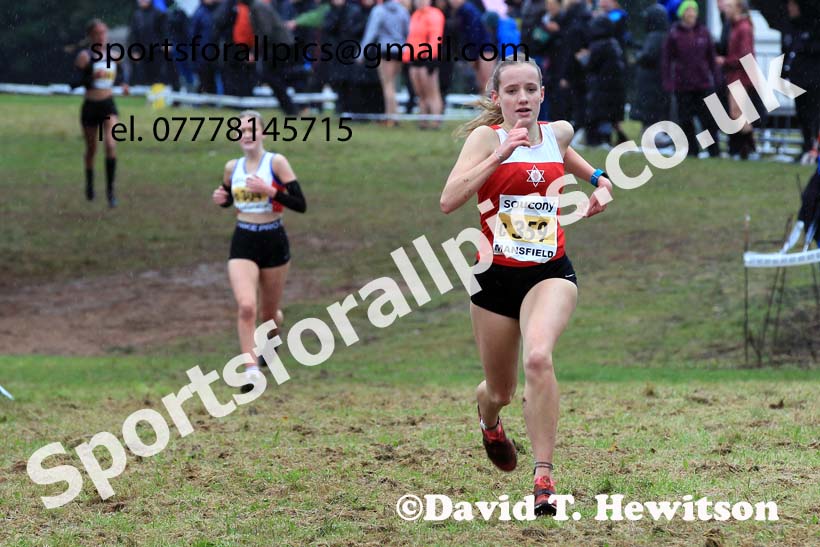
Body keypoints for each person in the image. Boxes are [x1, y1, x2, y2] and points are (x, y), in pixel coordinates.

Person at [440, 59, 612, 515]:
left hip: (549, 270)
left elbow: (564, 155)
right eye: (511, 90)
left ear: (542, 95)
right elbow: (448, 199)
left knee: (538, 356)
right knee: (499, 390)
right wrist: (500, 155)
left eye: (530, 89)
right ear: (497, 98)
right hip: (493, 277)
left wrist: (599, 179)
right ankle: (490, 421)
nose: (522, 98)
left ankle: (543, 478)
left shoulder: (558, 133)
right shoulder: (486, 139)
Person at [211, 111, 307, 392]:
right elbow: (229, 195)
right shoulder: (233, 167)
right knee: (246, 306)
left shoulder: (276, 163)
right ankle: (252, 371)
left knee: (268, 315)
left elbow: (301, 204)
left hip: (273, 239)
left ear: (263, 133)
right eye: (241, 130)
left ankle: (273, 339)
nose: (246, 134)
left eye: (251, 129)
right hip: (243, 240)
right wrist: (222, 200)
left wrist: (271, 190)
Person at [72, 19, 129, 207]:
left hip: (108, 104)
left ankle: (110, 192)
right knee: (92, 149)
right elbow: (73, 82)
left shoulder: (114, 55)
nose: (102, 37)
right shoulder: (85, 56)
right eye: (97, 33)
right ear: (91, 36)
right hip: (90, 106)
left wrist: (123, 84)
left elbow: (121, 75)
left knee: (111, 145)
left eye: (104, 33)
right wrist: (90, 77)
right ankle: (89, 184)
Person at [662, 0, 721, 158]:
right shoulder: (674, 34)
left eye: (693, 10)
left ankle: (713, 151)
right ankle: (691, 150)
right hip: (683, 85)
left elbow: (711, 58)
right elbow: (667, 60)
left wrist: (715, 78)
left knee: (707, 120)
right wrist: (668, 81)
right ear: (682, 14)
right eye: (688, 10)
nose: (691, 14)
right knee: (686, 120)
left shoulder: (704, 32)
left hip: (703, 83)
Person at [360, 0, 410, 126]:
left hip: (385, 50)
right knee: (393, 84)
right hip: (400, 50)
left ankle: (391, 117)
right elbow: (408, 31)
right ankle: (394, 115)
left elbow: (371, 33)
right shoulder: (402, 10)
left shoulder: (379, 10)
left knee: (387, 85)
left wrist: (361, 53)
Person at [717, 0, 755, 159]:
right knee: (737, 114)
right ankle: (744, 149)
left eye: (729, 7)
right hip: (736, 75)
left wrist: (725, 61)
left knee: (738, 114)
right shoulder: (737, 26)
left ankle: (750, 148)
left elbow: (745, 55)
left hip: (740, 76)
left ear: (738, 8)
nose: (726, 11)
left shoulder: (743, 28)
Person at [404, 0, 446, 129]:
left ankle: (435, 121)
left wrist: (430, 57)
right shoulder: (415, 15)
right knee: (420, 93)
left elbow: (435, 37)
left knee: (432, 92)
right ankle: (423, 121)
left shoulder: (435, 14)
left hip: (427, 58)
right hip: (414, 58)